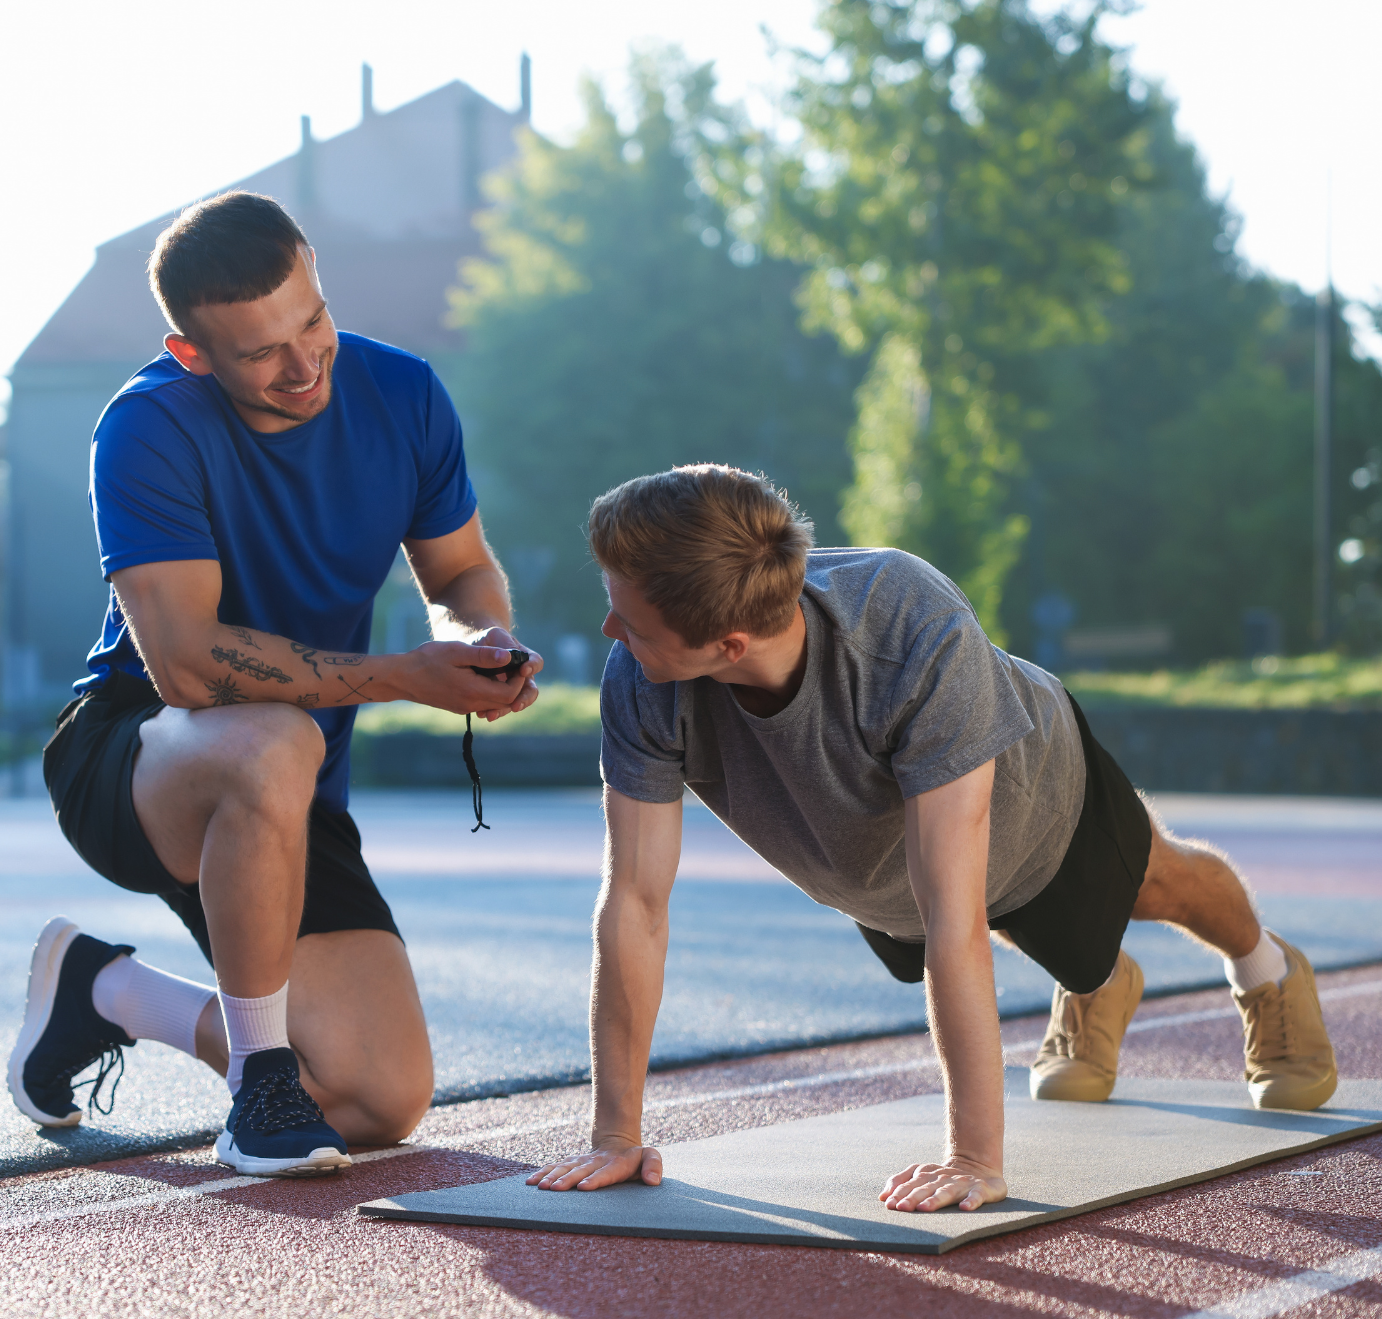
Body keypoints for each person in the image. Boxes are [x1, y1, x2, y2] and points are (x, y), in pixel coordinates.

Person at [528, 464, 1339, 1214]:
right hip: (870, 859)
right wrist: (616, 1137)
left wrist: (974, 1157)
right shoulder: (644, 672)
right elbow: (634, 900)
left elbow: (955, 913)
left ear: (728, 646)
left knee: (1158, 885)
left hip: (1039, 796)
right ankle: (1095, 979)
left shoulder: (909, 628)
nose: (607, 628)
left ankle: (1266, 971)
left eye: (626, 616)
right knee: (1001, 922)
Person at [9, 191, 541, 1178]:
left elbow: (459, 567)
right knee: (273, 737)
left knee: (375, 1099)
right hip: (139, 753)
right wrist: (400, 676)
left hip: (287, 784)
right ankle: (260, 1086)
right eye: (260, 352)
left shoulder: (406, 395)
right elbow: (186, 665)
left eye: (313, 319)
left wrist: (476, 638)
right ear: (192, 354)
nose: (303, 365)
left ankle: (102, 991)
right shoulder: (145, 428)